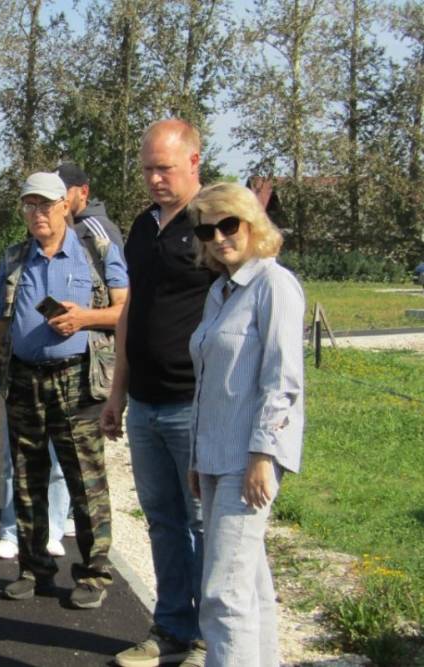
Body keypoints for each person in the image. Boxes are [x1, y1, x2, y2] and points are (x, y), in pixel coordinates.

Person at [0, 172, 128, 609]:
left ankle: (95, 575)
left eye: (45, 204)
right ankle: (33, 568)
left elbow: (126, 312)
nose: (37, 213)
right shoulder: (13, 258)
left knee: (86, 482)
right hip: (24, 379)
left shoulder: (97, 251)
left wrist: (84, 318)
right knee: (26, 480)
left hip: (78, 379)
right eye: (29, 205)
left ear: (66, 204)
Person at [101, 118, 215, 667]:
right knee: (164, 522)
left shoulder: (218, 223)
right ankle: (171, 630)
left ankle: (209, 638)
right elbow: (129, 314)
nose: (153, 178)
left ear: (194, 161)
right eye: (147, 167)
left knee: (203, 525)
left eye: (164, 168)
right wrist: (116, 392)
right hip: (145, 402)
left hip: (196, 402)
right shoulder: (143, 227)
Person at [186, 182, 304, 666]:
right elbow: (208, 382)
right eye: (207, 229)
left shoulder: (273, 285)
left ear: (252, 224)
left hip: (248, 458)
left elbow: (284, 380)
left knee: (222, 594)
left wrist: (263, 455)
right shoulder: (220, 291)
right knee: (249, 583)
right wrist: (196, 458)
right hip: (214, 456)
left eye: (228, 224)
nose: (218, 237)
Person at [57, 162, 124, 249]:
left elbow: (117, 262)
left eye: (63, 190)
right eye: (53, 191)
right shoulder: (51, 227)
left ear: (83, 192)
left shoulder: (100, 230)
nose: (57, 196)